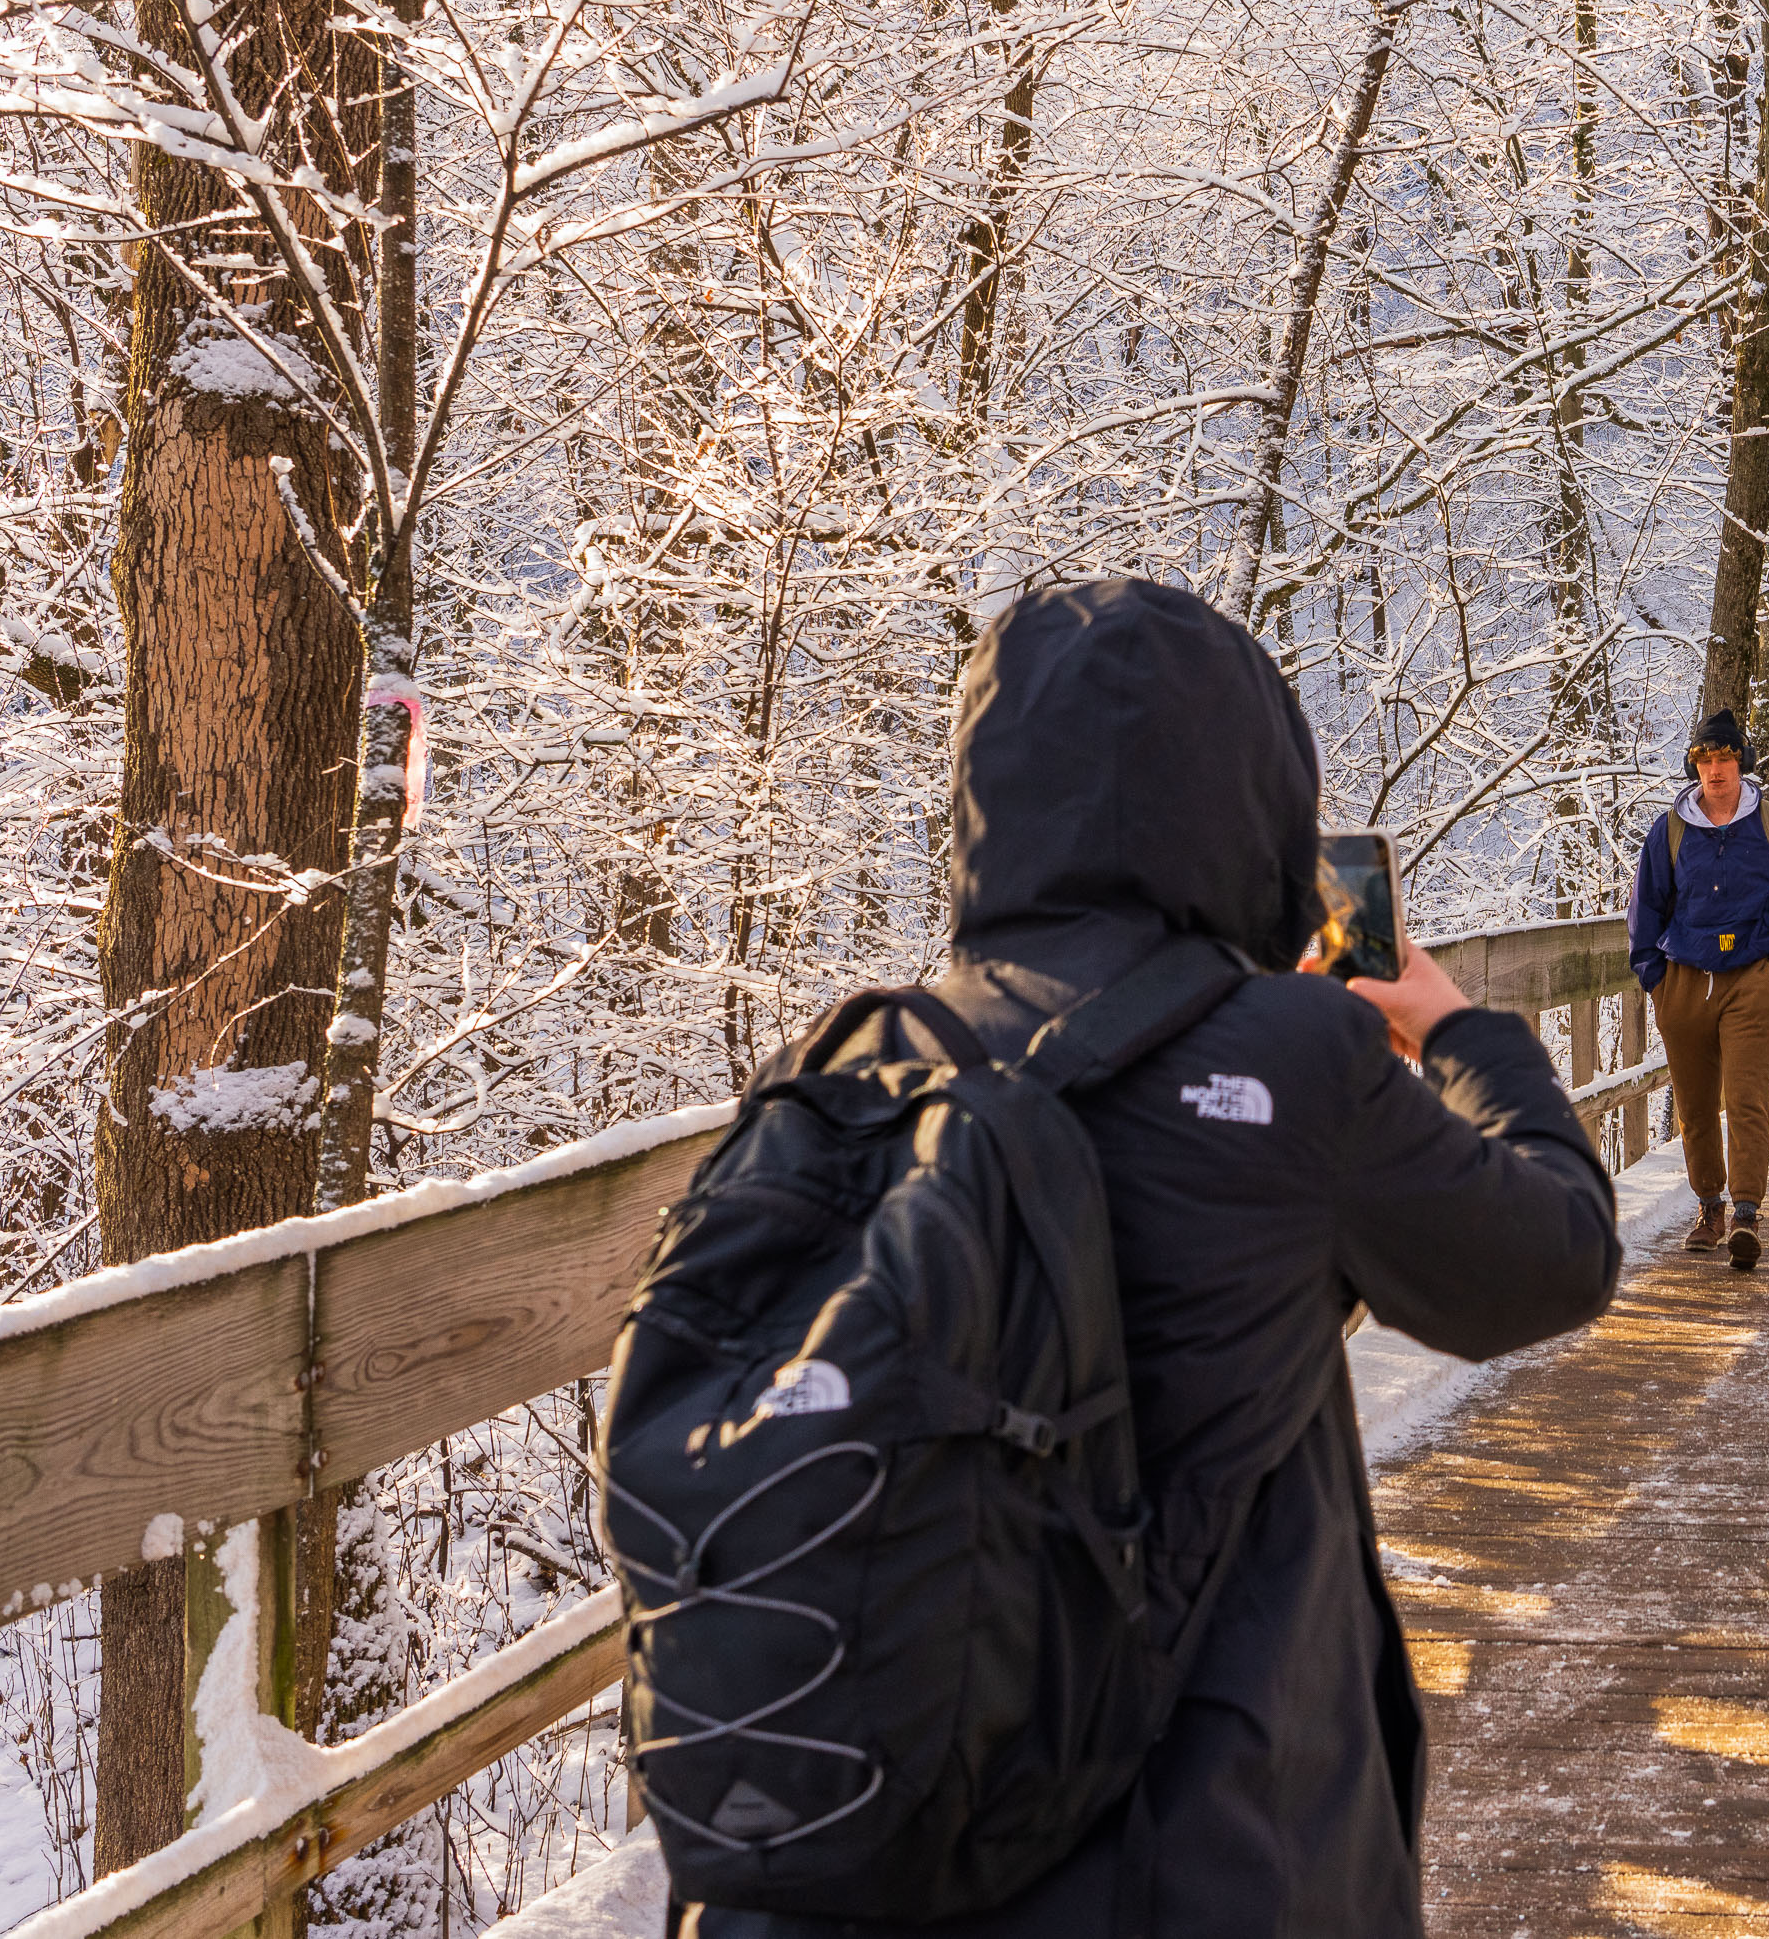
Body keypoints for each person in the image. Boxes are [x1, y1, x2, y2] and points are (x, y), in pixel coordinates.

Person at [681, 578, 1623, 1939]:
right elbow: (1556, 1254)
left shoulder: (849, 1064)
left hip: (865, 1854)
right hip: (1212, 1862)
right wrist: (1464, 1034)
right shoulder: (1298, 1065)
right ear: (1255, 803)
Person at [1626, 707, 1769, 1270]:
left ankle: (1745, 1213)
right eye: (1706, 760)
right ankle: (1709, 1207)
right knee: (1693, 1104)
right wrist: (1654, 977)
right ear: (1695, 767)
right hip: (1683, 982)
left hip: (1750, 981)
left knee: (1745, 1097)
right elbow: (1646, 908)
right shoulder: (1669, 831)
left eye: (1725, 759)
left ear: (1742, 764)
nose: (1715, 771)